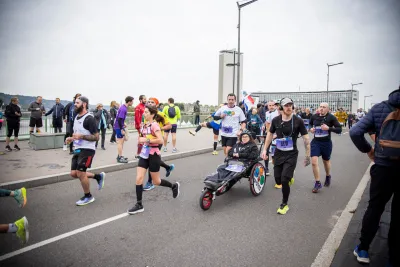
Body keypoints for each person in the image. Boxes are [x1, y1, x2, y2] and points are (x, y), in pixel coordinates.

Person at [350, 87, 400, 266]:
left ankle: (363, 248)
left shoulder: (380, 108)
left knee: (375, 208)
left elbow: (355, 131)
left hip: (383, 166)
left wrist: (369, 150)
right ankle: (393, 258)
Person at [127, 105, 180, 214]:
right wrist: (140, 140)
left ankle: (173, 186)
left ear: (152, 114)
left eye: (146, 112)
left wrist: (145, 140)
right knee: (139, 178)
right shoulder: (144, 125)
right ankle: (139, 204)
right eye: (144, 112)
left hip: (154, 154)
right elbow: (141, 138)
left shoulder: (154, 125)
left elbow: (160, 140)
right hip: (144, 154)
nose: (144, 114)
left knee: (156, 181)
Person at [262, 97, 310, 215]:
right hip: (278, 153)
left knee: (284, 179)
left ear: (293, 107)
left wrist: (308, 155)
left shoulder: (298, 121)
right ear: (282, 108)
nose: (289, 107)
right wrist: (265, 149)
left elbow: (306, 139)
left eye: (290, 105)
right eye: (286, 105)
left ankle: (284, 204)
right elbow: (269, 134)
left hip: (291, 154)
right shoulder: (276, 120)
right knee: (278, 179)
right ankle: (289, 178)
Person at [65, 96, 106, 206]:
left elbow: (97, 137)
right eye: (74, 103)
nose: (75, 104)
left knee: (80, 172)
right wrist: (71, 139)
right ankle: (98, 176)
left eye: (77, 103)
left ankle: (88, 196)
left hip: (88, 149)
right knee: (74, 173)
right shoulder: (76, 117)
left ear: (84, 104)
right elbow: (77, 134)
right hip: (78, 148)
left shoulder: (89, 118)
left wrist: (82, 136)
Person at [142, 97, 174, 191]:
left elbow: (169, 125)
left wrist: (159, 129)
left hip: (157, 141)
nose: (150, 103)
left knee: (151, 160)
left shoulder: (161, 114)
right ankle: (168, 167)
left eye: (152, 102)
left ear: (156, 104)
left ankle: (150, 182)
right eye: (149, 102)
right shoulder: (146, 113)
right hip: (148, 141)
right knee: (152, 159)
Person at [309, 102, 342, 193]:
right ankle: (317, 182)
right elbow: (310, 124)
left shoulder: (331, 117)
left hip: (326, 143)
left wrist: (329, 128)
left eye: (324, 107)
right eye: (320, 107)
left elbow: (339, 129)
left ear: (328, 109)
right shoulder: (314, 116)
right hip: (316, 142)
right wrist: (310, 129)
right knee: (314, 162)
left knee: (326, 161)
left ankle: (328, 176)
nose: (321, 108)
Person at [114, 96, 134, 163]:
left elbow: (120, 119)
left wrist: (123, 124)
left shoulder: (123, 107)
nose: (133, 103)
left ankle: (119, 156)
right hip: (118, 127)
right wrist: (122, 128)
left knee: (121, 142)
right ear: (129, 101)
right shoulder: (123, 109)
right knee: (120, 142)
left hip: (119, 126)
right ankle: (120, 157)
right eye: (132, 101)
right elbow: (119, 119)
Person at [264, 100, 280, 177]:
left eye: (272, 105)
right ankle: (266, 168)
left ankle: (277, 166)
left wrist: (276, 134)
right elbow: (267, 123)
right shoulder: (267, 113)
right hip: (269, 135)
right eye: (269, 105)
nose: (271, 107)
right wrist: (267, 131)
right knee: (266, 150)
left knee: (275, 152)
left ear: (275, 106)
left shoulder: (278, 113)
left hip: (277, 135)